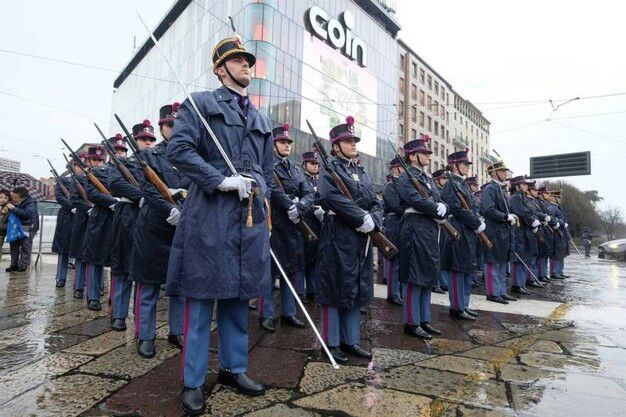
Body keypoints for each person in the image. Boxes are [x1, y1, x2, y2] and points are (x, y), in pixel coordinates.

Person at [164, 35, 271, 414]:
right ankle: (192, 381)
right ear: (220, 67)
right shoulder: (201, 104)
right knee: (200, 302)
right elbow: (178, 150)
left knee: (238, 300)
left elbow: (267, 169)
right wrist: (221, 180)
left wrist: (260, 190)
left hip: (247, 221)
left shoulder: (260, 118)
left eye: (248, 60)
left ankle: (233, 368)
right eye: (238, 60)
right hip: (209, 218)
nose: (247, 65)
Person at [316, 115, 382, 364]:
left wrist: (374, 218)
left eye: (354, 140)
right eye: (347, 140)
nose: (353, 143)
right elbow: (332, 197)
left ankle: (350, 340)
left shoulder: (361, 172)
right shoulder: (328, 171)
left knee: (356, 287)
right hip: (338, 235)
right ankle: (331, 342)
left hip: (360, 237)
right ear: (335, 146)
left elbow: (375, 201)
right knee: (335, 288)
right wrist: (360, 217)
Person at [130, 114, 188, 359]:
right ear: (162, 128)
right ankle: (145, 335)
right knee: (149, 285)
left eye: (178, 126)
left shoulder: (188, 156)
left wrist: (183, 210)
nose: (174, 130)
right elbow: (149, 190)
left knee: (179, 286)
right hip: (154, 227)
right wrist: (170, 208)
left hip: (181, 226)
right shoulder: (148, 156)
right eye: (169, 126)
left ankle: (177, 331)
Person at [258, 124, 314, 332]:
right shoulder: (268, 166)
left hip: (294, 226)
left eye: (288, 143)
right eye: (282, 142)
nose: (286, 146)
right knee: (270, 272)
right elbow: (271, 188)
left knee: (292, 270)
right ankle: (266, 313)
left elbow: (309, 192)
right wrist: (289, 204)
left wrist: (301, 206)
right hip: (275, 225)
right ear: (273, 145)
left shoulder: (296, 169)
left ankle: (288, 312)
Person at [396, 137, 447, 339]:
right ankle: (411, 321)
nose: (427, 156)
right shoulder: (405, 177)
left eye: (427, 153)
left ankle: (424, 320)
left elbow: (440, 199)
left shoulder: (427, 179)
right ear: (412, 156)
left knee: (427, 275)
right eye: (424, 153)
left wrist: (443, 209)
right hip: (414, 227)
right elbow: (414, 200)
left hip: (428, 227)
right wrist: (436, 208)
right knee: (414, 277)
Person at [108, 131, 155, 331]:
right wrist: (141, 196)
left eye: (151, 139)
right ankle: (119, 314)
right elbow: (116, 184)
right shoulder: (123, 163)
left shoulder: (156, 161)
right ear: (134, 141)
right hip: (128, 214)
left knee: (144, 269)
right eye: (144, 139)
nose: (148, 143)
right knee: (123, 266)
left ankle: (141, 320)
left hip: (149, 217)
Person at [440, 149, 483, 320]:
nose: (467, 167)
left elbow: (472, 207)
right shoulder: (451, 184)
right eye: (464, 164)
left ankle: (464, 304)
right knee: (457, 270)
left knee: (466, 269)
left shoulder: (462, 184)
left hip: (468, 231)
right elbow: (456, 208)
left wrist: (478, 220)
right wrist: (475, 222)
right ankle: (457, 307)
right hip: (458, 230)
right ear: (454, 166)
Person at [81, 145, 116, 311]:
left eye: (101, 159)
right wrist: (113, 201)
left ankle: (114, 298)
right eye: (95, 159)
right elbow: (92, 194)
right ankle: (93, 296)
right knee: (95, 257)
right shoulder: (92, 174)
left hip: (117, 217)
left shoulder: (117, 171)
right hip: (100, 217)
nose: (98, 163)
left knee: (117, 259)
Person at [480, 161, 518, 304]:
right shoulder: (490, 189)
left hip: (503, 232)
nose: (505, 174)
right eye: (502, 171)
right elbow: (488, 210)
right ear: (493, 173)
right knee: (493, 264)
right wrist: (505, 217)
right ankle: (492, 293)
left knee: (502, 263)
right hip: (494, 232)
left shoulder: (501, 190)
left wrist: (510, 216)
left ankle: (501, 291)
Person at [508, 176, 541, 295]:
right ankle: (516, 285)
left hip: (524, 232)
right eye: (523, 184)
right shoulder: (515, 198)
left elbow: (529, 211)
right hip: (518, 232)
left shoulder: (523, 198)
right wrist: (532, 221)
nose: (526, 186)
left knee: (523, 259)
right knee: (518, 260)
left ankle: (521, 284)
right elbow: (522, 212)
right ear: (517, 186)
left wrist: (533, 220)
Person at [382, 156, 404, 306]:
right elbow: (395, 205)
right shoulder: (391, 186)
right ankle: (393, 293)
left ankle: (399, 292)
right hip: (394, 223)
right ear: (395, 168)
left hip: (401, 223)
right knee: (394, 260)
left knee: (401, 261)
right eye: (402, 167)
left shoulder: (402, 184)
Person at [301, 151, 323, 302]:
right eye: (312, 163)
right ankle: (301, 291)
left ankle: (312, 290)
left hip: (318, 224)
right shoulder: (302, 179)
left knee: (315, 259)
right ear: (304, 165)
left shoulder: (320, 182)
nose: (315, 166)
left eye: (317, 164)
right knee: (303, 259)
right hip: (305, 223)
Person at [68, 155, 90, 299]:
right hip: (83, 219)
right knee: (81, 255)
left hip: (99, 220)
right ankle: (78, 286)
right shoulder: (75, 181)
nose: (82, 168)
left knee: (95, 256)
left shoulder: (97, 177)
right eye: (79, 165)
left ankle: (96, 286)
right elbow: (75, 199)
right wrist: (89, 207)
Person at [5, 186, 39, 273]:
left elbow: (28, 215)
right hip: (16, 226)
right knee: (14, 245)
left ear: (22, 197)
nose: (13, 198)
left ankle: (23, 265)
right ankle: (14, 265)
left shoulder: (30, 203)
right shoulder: (13, 202)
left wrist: (14, 208)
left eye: (15, 197)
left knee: (25, 245)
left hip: (28, 227)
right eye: (13, 196)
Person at [52, 174, 73, 287]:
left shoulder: (87, 178)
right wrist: (72, 205)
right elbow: (59, 196)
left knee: (80, 253)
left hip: (82, 214)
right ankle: (60, 277)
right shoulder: (64, 180)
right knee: (63, 250)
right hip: (66, 216)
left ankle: (80, 282)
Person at [431, 169, 448, 294]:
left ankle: (441, 282)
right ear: (437, 180)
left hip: (443, 225)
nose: (445, 180)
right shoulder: (435, 190)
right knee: (435, 254)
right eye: (443, 178)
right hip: (435, 223)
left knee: (441, 254)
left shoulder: (443, 191)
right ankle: (435, 282)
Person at [0, 189, 11, 262]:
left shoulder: (8, 208)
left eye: (5, 198)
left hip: (1, 232)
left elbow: (7, 222)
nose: (3, 199)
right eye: (1, 197)